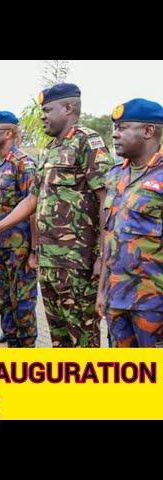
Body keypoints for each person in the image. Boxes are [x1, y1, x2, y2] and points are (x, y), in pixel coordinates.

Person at [0, 83, 114, 347]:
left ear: (69, 108)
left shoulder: (88, 142)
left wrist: (103, 257)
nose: (43, 116)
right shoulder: (49, 149)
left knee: (83, 339)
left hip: (78, 264)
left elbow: (106, 200)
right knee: (59, 340)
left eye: (48, 110)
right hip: (50, 264)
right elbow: (33, 199)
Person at [97, 98, 163, 347]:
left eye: (123, 128)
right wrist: (102, 290)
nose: (115, 134)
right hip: (117, 300)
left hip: (154, 304)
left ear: (148, 131)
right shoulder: (115, 176)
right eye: (114, 128)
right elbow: (109, 237)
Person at [0, 111, 38, 347]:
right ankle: (11, 335)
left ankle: (26, 343)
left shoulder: (23, 163)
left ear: (8, 133)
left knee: (22, 299)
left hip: (20, 247)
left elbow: (33, 207)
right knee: (2, 296)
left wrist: (35, 249)